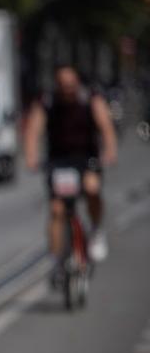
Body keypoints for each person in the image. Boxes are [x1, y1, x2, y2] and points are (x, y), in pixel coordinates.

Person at [22, 64, 119, 266]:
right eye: (63, 85)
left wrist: (109, 151)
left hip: (86, 157)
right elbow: (33, 129)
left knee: (92, 188)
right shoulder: (47, 101)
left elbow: (106, 126)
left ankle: (96, 230)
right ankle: (56, 261)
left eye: (71, 85)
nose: (68, 89)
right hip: (59, 160)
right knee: (57, 210)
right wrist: (31, 157)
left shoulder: (90, 98)